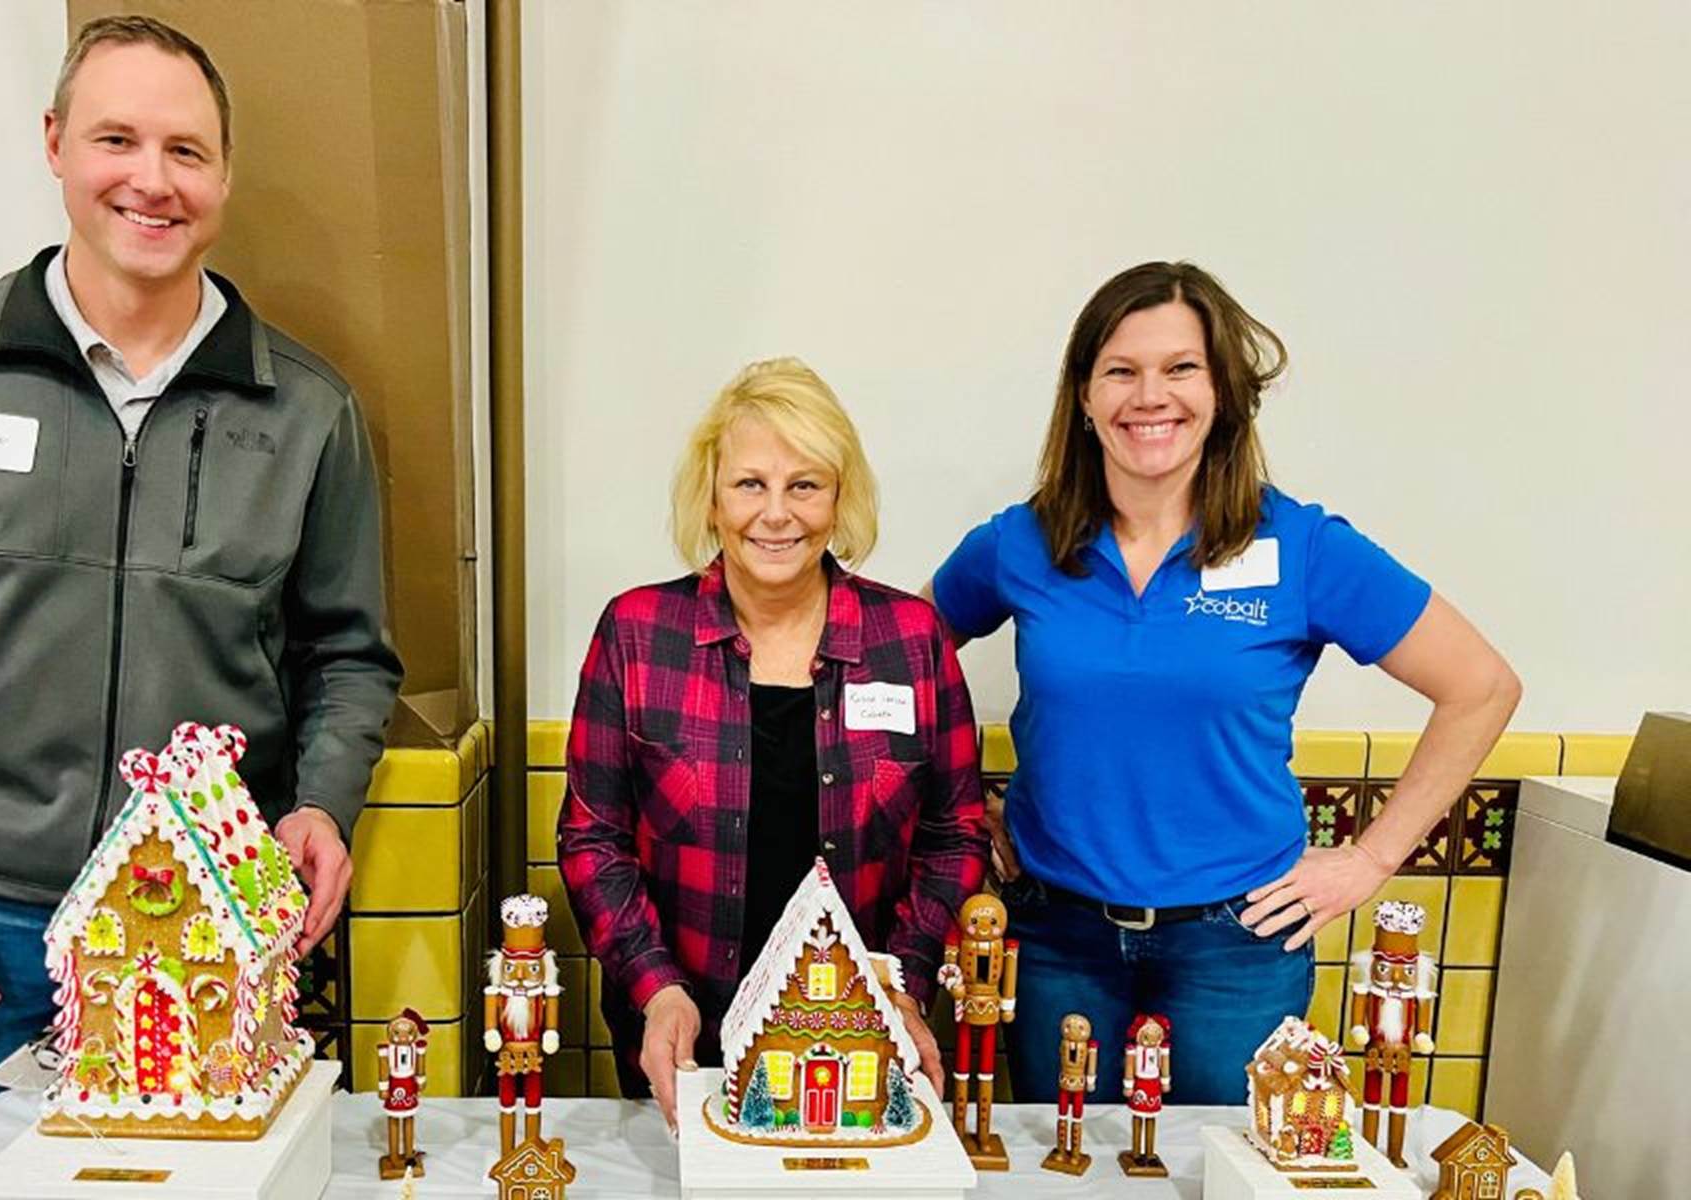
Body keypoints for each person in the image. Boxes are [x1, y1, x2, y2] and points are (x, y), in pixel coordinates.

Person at [0, 16, 401, 1132]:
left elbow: (351, 653)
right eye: (117, 139)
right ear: (57, 144)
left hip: (213, 927)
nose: (150, 181)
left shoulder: (312, 413)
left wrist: (322, 800)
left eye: (187, 150)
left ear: (225, 173)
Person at [926, 261, 1519, 1102]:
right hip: (1055, 936)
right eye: (1121, 371)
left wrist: (1372, 858)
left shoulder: (1304, 548)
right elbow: (893, 663)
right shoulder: (1019, 543)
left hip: (1238, 944)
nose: (1149, 396)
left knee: (1223, 1173)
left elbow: (1482, 686)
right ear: (1085, 397)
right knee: (1061, 1171)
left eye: (1180, 368)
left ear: (1223, 392)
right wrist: (952, 813)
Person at [557, 357, 987, 1130]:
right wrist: (655, 988)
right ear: (712, 499)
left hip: (853, 1034)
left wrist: (900, 980)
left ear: (839, 496)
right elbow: (594, 838)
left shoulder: (912, 641)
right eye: (750, 484)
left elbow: (955, 835)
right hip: (681, 1027)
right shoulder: (637, 634)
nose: (777, 514)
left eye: (805, 485)